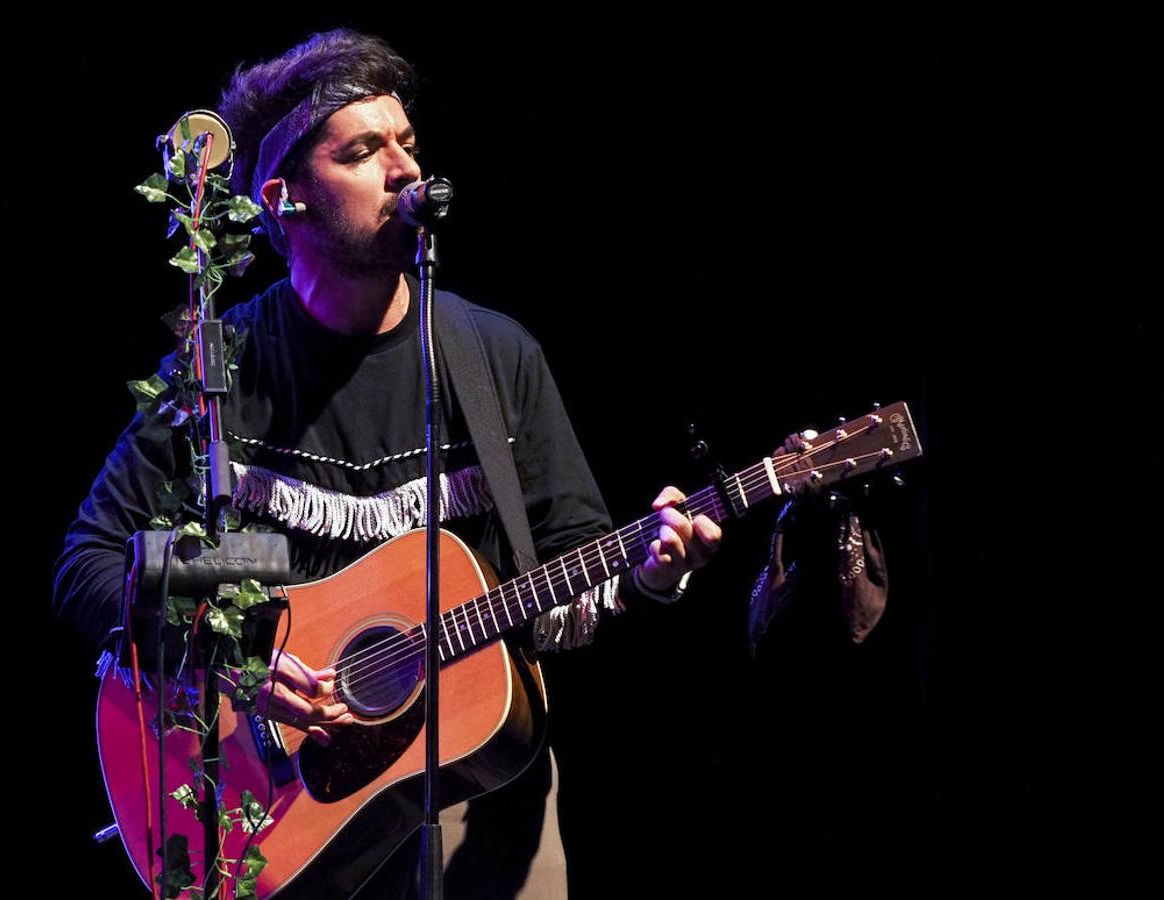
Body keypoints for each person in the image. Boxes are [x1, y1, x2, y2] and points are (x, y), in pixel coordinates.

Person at [53, 29, 722, 898]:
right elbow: (89, 564)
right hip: (281, 810)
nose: (404, 169)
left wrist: (652, 572)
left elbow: (571, 572)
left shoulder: (493, 358)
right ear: (283, 197)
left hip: (476, 797)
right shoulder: (224, 370)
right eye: (365, 150)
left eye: (408, 143)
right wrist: (237, 651)